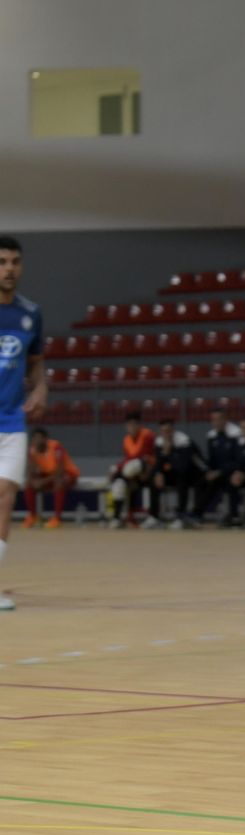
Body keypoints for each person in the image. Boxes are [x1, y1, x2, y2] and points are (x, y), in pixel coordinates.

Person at [0, 236, 46, 611]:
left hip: (12, 421)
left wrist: (42, 388)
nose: (9, 269)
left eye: (15, 262)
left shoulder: (31, 314)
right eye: (2, 262)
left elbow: (36, 364)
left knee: (5, 496)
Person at [149, 419, 206, 529]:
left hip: (191, 474)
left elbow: (183, 466)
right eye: (163, 431)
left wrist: (168, 452)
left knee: (182, 479)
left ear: (173, 430)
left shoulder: (184, 441)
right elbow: (158, 463)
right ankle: (154, 516)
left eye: (168, 431)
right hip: (172, 473)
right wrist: (159, 473)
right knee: (153, 478)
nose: (166, 434)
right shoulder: (159, 442)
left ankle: (181, 516)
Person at [106, 411, 156, 529]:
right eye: (129, 425)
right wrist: (117, 468)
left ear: (139, 425)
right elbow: (128, 458)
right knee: (118, 485)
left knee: (131, 467)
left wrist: (118, 469)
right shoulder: (126, 440)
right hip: (132, 474)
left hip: (147, 471)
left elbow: (143, 456)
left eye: (134, 424)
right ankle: (116, 518)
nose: (132, 427)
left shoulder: (147, 435)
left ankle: (119, 476)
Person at [25, 427, 78, 529]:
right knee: (29, 484)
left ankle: (57, 519)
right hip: (48, 476)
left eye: (39, 438)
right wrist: (33, 480)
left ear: (45, 439)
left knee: (59, 482)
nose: (36, 441)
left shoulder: (56, 447)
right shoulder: (32, 450)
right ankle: (33, 516)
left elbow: (59, 472)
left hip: (68, 474)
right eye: (34, 438)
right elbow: (30, 469)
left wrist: (42, 482)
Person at [199, 408, 241, 523]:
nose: (216, 422)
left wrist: (219, 472)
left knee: (232, 480)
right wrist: (208, 471)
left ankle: (234, 516)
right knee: (200, 480)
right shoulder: (211, 436)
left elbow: (238, 461)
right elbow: (211, 460)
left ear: (225, 419)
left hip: (232, 471)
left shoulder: (236, 434)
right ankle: (197, 513)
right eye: (213, 420)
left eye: (219, 419)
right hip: (217, 473)